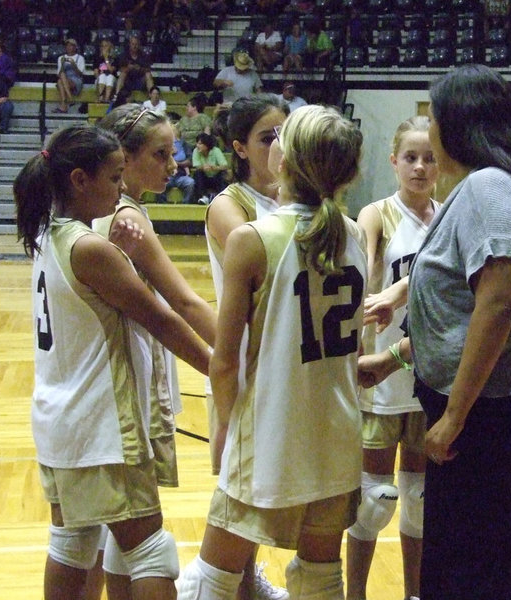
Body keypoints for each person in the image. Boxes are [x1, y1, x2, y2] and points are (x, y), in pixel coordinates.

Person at [357, 64, 511, 600]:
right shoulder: (502, 185)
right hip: (494, 406)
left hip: (489, 411)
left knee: (462, 574)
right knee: (473, 568)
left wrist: (455, 415)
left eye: (436, 120)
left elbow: (499, 303)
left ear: (461, 126)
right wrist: (397, 358)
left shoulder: (489, 188)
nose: (432, 134)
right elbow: (458, 313)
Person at [176, 104, 366, 600]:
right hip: (339, 433)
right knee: (320, 579)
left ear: (286, 160)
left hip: (272, 432)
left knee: (213, 580)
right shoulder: (356, 234)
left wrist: (223, 424)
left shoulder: (253, 239)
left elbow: (224, 358)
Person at [14, 123, 211, 600]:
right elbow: (161, 319)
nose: (121, 189)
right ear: (80, 180)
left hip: (58, 418)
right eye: (114, 177)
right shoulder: (91, 248)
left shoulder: (48, 233)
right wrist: (225, 369)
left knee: (72, 541)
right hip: (103, 425)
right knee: (150, 551)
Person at [89, 103, 219, 598]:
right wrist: (234, 361)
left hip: (107, 384)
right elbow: (182, 302)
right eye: (161, 154)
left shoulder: (104, 212)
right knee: (145, 544)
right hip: (122, 389)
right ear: (124, 156)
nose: (173, 165)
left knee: (109, 539)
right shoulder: (126, 216)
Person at [346, 116, 439, 600]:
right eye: (411, 157)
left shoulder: (447, 217)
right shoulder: (376, 215)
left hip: (428, 377)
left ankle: (414, 593)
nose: (420, 167)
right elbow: (364, 280)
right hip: (381, 375)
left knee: (420, 501)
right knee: (374, 500)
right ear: (394, 162)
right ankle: (355, 593)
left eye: (429, 158)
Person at [204, 93, 291, 600]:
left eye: (284, 134)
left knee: (260, 484)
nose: (279, 146)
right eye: (266, 137)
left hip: (283, 357)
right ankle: (227, 583)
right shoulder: (227, 205)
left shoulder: (295, 197)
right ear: (239, 147)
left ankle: (244, 580)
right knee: (237, 486)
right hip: (243, 358)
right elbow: (271, 267)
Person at [192, 132, 229, 203]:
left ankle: (222, 198)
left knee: (223, 174)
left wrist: (214, 168)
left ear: (206, 145)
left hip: (216, 176)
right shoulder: (196, 151)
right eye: (197, 143)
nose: (197, 146)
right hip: (205, 177)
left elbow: (225, 166)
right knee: (197, 173)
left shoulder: (216, 151)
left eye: (200, 144)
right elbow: (196, 165)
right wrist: (203, 167)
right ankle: (203, 197)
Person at [54, 38, 86, 114]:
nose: (69, 47)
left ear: (75, 47)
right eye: (67, 45)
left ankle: (64, 105)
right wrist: (62, 64)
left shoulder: (80, 58)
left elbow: (80, 74)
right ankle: (67, 102)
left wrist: (73, 65)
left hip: (76, 80)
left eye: (71, 46)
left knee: (60, 81)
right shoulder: (61, 58)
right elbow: (58, 74)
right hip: (65, 79)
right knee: (60, 79)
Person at [94, 38, 118, 103]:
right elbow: (96, 73)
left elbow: (111, 71)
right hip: (100, 80)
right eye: (102, 46)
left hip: (112, 80)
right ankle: (101, 97)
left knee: (109, 77)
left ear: (110, 47)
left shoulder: (114, 58)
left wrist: (106, 58)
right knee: (102, 76)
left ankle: (107, 99)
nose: (104, 48)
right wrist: (100, 75)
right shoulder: (97, 58)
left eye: (106, 46)